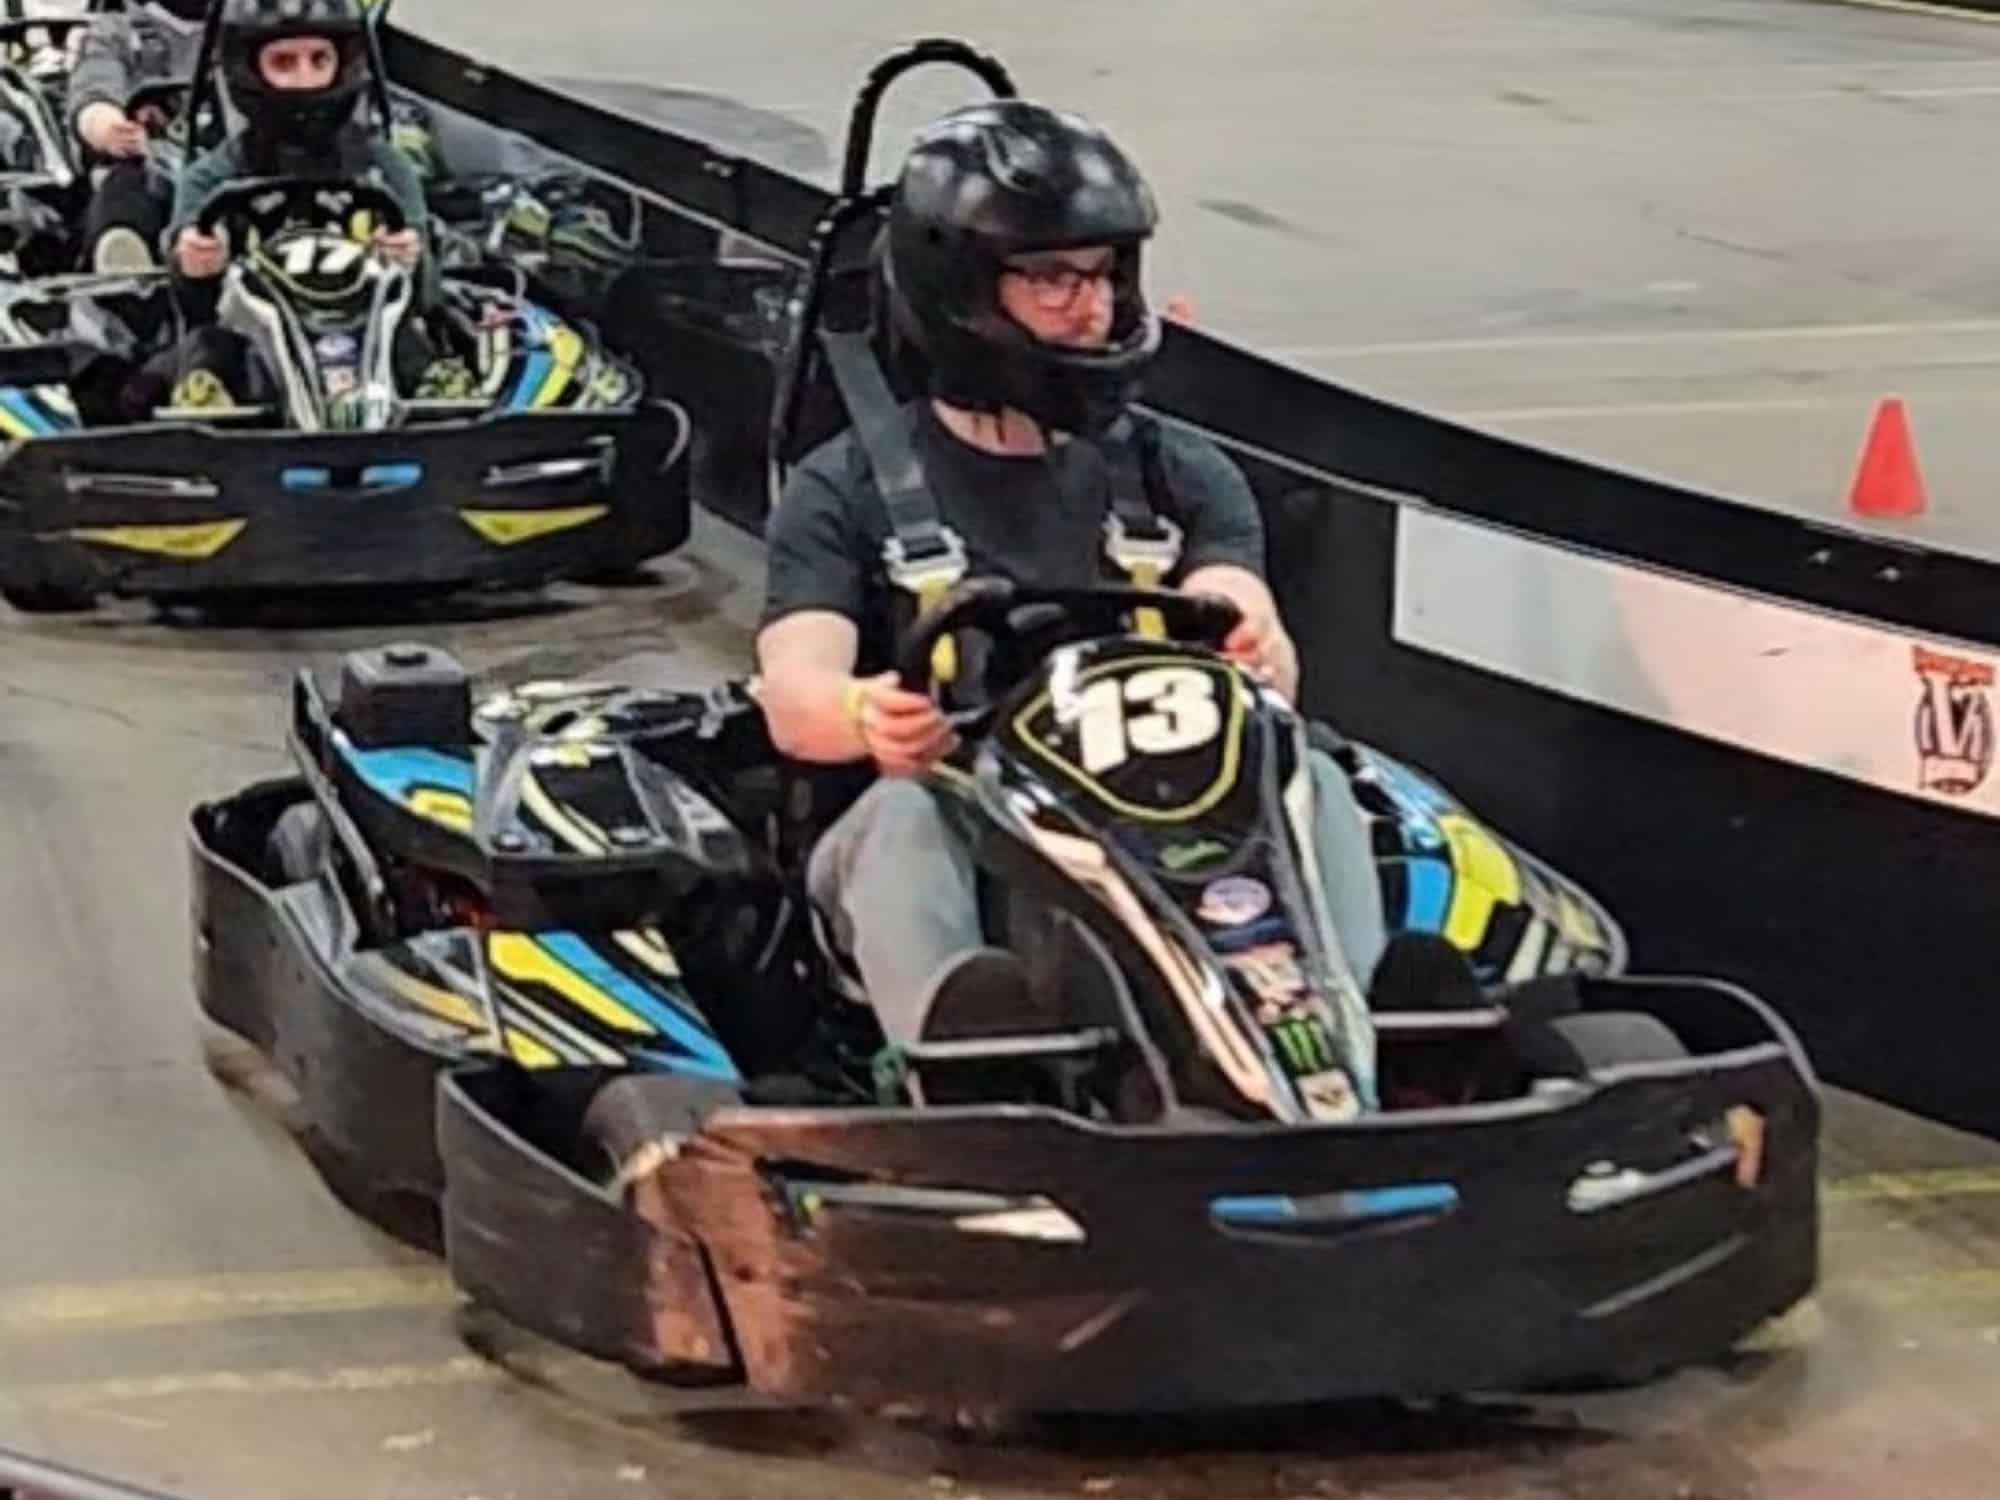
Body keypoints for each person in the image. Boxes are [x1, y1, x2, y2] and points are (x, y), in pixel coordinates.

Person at [755, 99, 1389, 1080]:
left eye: (1099, 274)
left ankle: (1354, 1046)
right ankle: (974, 1074)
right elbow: (793, 691)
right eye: (1049, 277)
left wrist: (1254, 643)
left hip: (1152, 828)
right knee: (903, 817)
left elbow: (1240, 607)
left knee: (1311, 774)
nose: (1087, 305)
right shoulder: (841, 487)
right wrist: (861, 713)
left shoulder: (1177, 470)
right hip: (965, 841)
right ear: (957, 285)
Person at [149, 0, 458, 410]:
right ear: (250, 70)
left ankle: (441, 401)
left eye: (319, 60)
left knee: (410, 337)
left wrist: (409, 258)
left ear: (344, 64)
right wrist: (193, 265)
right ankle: (207, 408)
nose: (306, 79)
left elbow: (428, 296)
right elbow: (188, 304)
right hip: (258, 349)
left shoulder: (385, 168)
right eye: (284, 62)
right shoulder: (212, 177)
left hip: (370, 337)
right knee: (205, 347)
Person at [65, 0, 209, 272]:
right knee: (126, 190)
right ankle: (127, 270)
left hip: (239, 164)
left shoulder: (245, 30)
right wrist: (106, 127)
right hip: (153, 167)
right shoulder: (120, 32)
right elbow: (93, 88)